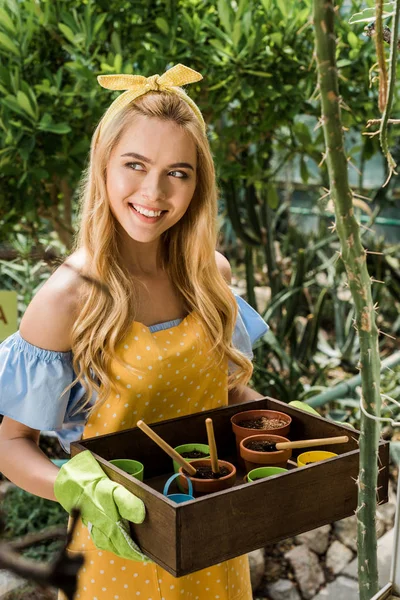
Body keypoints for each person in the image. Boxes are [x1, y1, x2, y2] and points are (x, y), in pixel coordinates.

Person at [0, 63, 268, 600]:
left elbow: (227, 394)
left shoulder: (210, 276)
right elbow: (9, 443)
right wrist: (71, 485)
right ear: (103, 167)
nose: (154, 191)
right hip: (119, 551)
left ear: (198, 183)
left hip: (214, 536)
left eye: (178, 172)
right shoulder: (68, 298)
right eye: (135, 165)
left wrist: (278, 421)